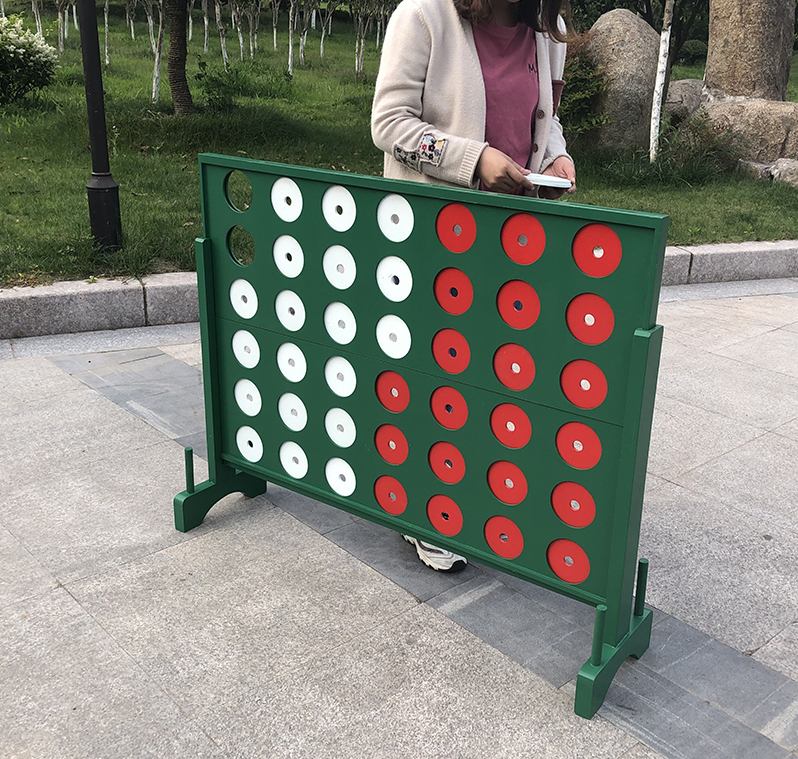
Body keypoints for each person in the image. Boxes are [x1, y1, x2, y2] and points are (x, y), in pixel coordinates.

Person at [371, 0, 576, 572]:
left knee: (495, 369)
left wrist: (555, 158)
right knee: (436, 371)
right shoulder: (424, 15)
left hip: (515, 236)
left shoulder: (543, 26)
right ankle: (423, 512)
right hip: (436, 234)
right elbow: (387, 124)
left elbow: (545, 117)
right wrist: (474, 160)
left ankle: (478, 495)